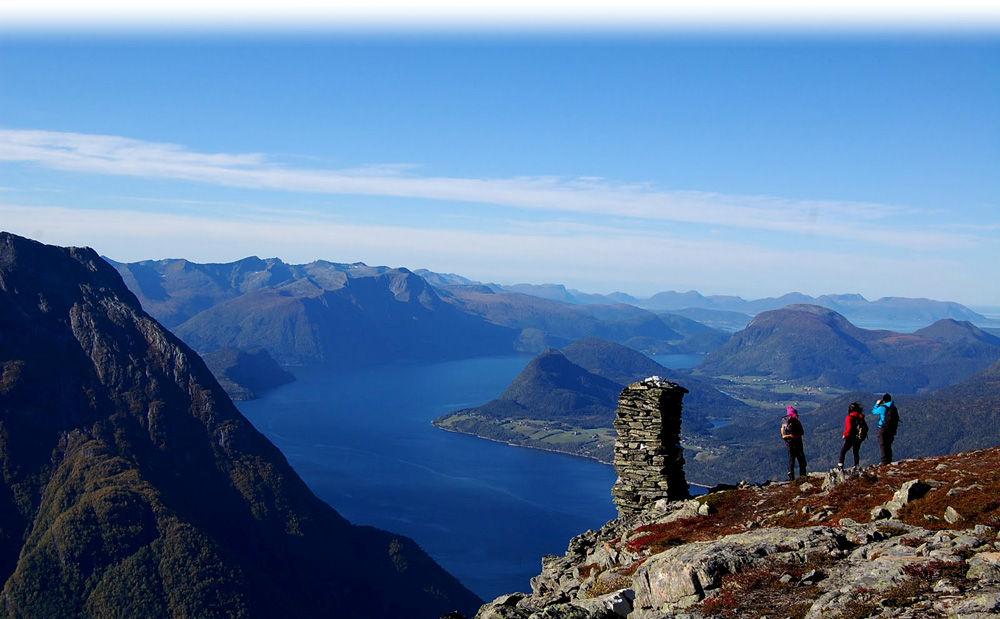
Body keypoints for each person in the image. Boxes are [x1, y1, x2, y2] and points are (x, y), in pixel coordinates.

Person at [838, 401, 868, 469]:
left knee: (843, 451)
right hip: (859, 437)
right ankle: (856, 465)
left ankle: (840, 465)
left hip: (851, 437)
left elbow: (849, 428)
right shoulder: (861, 416)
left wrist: (844, 435)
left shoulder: (849, 417)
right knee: (856, 451)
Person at [780, 405, 807, 480]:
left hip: (789, 444)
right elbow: (801, 432)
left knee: (791, 461)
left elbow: (782, 433)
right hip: (797, 445)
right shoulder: (796, 422)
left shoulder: (784, 421)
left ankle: (791, 477)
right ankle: (803, 477)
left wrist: (786, 436)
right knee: (802, 462)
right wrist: (793, 436)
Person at [872, 393, 899, 465]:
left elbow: (874, 411)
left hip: (883, 428)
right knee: (888, 444)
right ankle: (889, 459)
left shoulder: (883, 407)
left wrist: (877, 403)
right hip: (891, 429)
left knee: (882, 444)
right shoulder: (893, 407)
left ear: (884, 400)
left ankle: (884, 461)